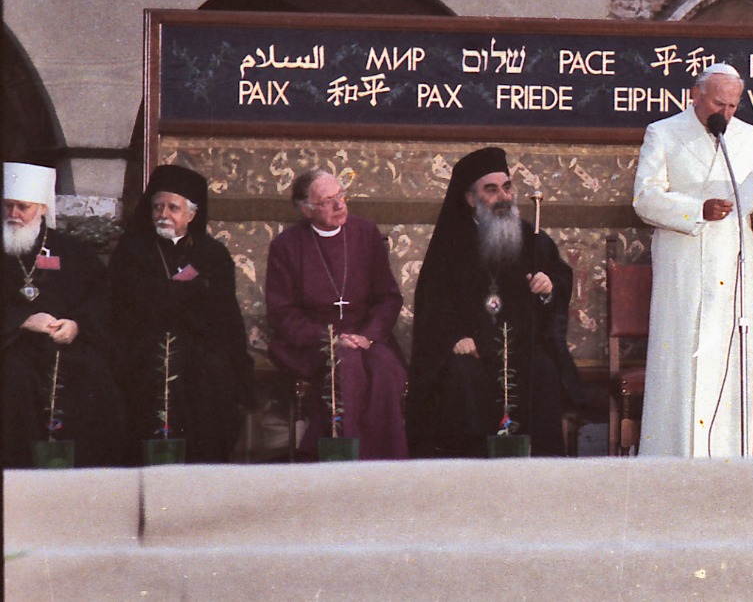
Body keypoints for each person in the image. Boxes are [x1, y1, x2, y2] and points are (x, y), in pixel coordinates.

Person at [633, 63, 753, 457]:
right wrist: (696, 209)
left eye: (733, 106)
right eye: (719, 104)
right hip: (684, 263)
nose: (726, 114)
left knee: (729, 362)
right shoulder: (663, 132)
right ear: (695, 95)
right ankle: (673, 457)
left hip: (733, 264)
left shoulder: (750, 136)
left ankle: (728, 459)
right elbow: (645, 199)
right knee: (682, 362)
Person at [407, 147, 583, 457]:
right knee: (460, 374)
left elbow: (560, 278)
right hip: (473, 350)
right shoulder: (449, 243)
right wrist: (454, 338)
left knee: (543, 369)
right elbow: (432, 304)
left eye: (507, 187)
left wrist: (549, 287)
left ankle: (543, 469)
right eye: (491, 190)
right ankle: (473, 469)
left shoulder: (531, 237)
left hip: (520, 348)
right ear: (470, 199)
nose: (503, 197)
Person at [110, 164, 253, 463]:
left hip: (199, 346)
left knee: (209, 377)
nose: (163, 214)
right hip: (145, 345)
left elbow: (224, 315)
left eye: (173, 208)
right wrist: (188, 293)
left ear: (192, 214)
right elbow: (125, 305)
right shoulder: (132, 250)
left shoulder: (212, 254)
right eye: (157, 206)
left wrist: (169, 296)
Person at [265, 168, 407, 460]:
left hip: (366, 337)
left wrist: (367, 335)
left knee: (385, 366)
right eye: (327, 201)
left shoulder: (366, 233)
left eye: (341, 195)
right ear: (306, 210)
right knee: (345, 364)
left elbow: (388, 297)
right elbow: (282, 314)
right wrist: (329, 338)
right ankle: (343, 459)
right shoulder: (286, 246)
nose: (340, 205)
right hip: (313, 343)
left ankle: (385, 462)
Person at [4, 161, 125, 467]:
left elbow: (99, 298)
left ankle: (86, 472)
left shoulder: (72, 251)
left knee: (93, 372)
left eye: (22, 207)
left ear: (42, 208)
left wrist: (76, 325)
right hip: (12, 347)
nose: (13, 214)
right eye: (7, 206)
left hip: (66, 346)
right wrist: (22, 321)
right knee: (13, 376)